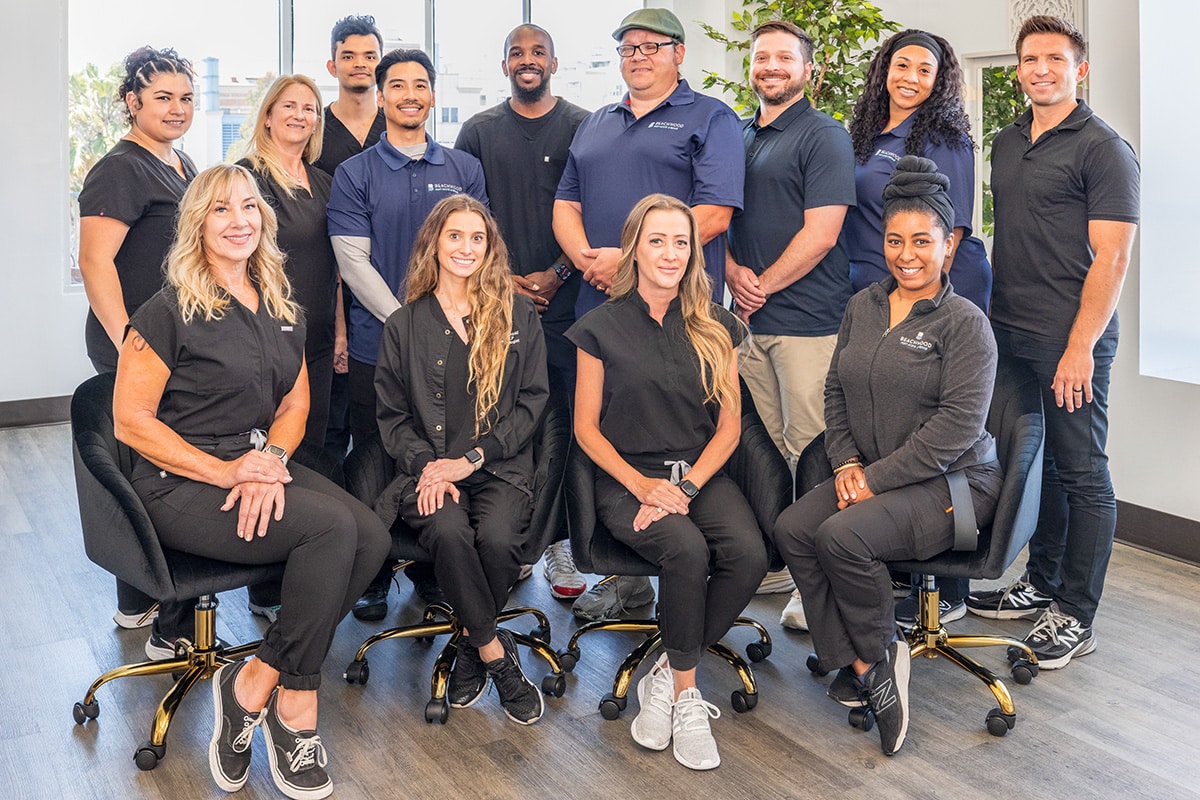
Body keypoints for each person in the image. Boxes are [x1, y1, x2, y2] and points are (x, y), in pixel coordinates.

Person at [112, 164, 389, 799]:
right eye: (220, 210)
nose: (239, 220)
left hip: (256, 462)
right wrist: (228, 470)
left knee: (371, 538)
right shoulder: (169, 309)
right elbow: (130, 423)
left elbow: (294, 405)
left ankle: (254, 681)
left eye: (249, 207)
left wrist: (271, 462)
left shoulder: (281, 302)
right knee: (328, 530)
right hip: (178, 479)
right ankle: (297, 708)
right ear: (196, 225)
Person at [770, 157, 1003, 756]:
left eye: (922, 241)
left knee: (843, 537)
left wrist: (870, 480)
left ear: (949, 245)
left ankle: (881, 658)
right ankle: (859, 662)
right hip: (872, 474)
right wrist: (846, 464)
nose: (906, 254)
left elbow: (956, 429)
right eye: (895, 240)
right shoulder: (864, 306)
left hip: (953, 487)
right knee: (794, 528)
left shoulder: (964, 324)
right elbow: (835, 393)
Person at [554, 7, 744, 620]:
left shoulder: (710, 118)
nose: (637, 56)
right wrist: (589, 259)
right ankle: (630, 580)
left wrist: (633, 259)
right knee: (608, 424)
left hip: (678, 306)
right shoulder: (596, 123)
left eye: (651, 47)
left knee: (679, 420)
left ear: (678, 54)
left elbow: (714, 212)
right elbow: (567, 202)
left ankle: (683, 606)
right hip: (599, 302)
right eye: (627, 48)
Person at [567, 194, 768, 770]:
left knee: (749, 552)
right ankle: (686, 694)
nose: (671, 253)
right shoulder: (598, 327)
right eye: (657, 240)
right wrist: (642, 485)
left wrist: (685, 488)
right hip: (625, 477)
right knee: (684, 549)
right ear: (634, 248)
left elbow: (730, 427)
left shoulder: (716, 324)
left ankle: (665, 668)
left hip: (698, 474)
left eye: (682, 241)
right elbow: (585, 430)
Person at [965, 15, 1139, 671]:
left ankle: (1076, 613)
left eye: (1056, 59)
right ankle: (1041, 583)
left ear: (1079, 70)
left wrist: (1080, 347)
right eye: (1031, 58)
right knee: (1039, 467)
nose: (1042, 69)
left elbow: (1113, 259)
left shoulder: (1103, 148)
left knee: (1083, 471)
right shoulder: (1009, 141)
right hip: (1011, 331)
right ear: (1019, 70)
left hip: (1073, 339)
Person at [373, 195, 550, 725]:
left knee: (496, 541)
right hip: (428, 472)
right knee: (450, 534)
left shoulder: (517, 314)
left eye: (478, 238)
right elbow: (392, 416)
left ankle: (471, 645)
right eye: (455, 236)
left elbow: (533, 401)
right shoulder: (403, 325)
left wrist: (472, 458)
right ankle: (497, 657)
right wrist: (429, 464)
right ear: (434, 243)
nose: (466, 248)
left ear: (490, 247)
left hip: (499, 465)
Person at [327, 47, 487, 621]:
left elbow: (479, 253)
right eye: (398, 86)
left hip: (460, 348)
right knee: (377, 457)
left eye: (421, 84)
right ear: (382, 94)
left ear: (433, 94)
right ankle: (371, 572)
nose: (410, 95)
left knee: (441, 458)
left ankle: (431, 574)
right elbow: (352, 261)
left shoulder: (463, 170)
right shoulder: (355, 173)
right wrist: (408, 324)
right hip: (381, 348)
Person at [845, 28, 994, 624]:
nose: (909, 77)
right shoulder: (864, 136)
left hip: (928, 294)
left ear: (939, 80)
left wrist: (935, 302)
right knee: (885, 424)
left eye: (924, 70)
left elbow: (947, 234)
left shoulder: (946, 138)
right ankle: (891, 569)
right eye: (900, 64)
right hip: (869, 292)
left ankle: (947, 591)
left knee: (935, 420)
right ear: (884, 69)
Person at [724, 20, 856, 624]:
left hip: (806, 323)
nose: (770, 66)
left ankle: (817, 577)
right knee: (768, 451)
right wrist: (731, 274)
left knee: (812, 450)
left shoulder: (823, 136)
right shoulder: (741, 133)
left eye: (784, 58)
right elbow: (719, 215)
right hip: (750, 322)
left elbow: (823, 233)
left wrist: (759, 285)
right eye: (761, 58)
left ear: (809, 71)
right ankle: (779, 561)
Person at [454, 24, 590, 601]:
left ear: (554, 63)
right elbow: (463, 215)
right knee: (501, 422)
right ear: (504, 63)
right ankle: (508, 543)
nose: (527, 61)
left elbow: (595, 209)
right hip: (493, 303)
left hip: (569, 302)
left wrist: (558, 272)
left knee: (563, 427)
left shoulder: (585, 125)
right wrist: (503, 279)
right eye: (517, 53)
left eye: (538, 53)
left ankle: (559, 544)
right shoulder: (478, 130)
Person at [77, 45, 199, 640]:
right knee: (157, 471)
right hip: (135, 345)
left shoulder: (182, 165)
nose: (177, 109)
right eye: (162, 98)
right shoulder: (120, 168)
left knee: (153, 466)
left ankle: (140, 599)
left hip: (173, 343)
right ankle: (169, 625)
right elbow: (95, 261)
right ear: (133, 102)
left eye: (185, 98)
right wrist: (128, 340)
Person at [314, 14, 388, 463]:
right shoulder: (314, 133)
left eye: (369, 56)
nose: (359, 64)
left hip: (388, 289)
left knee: (383, 417)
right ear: (332, 66)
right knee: (330, 417)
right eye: (348, 56)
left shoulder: (399, 127)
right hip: (325, 290)